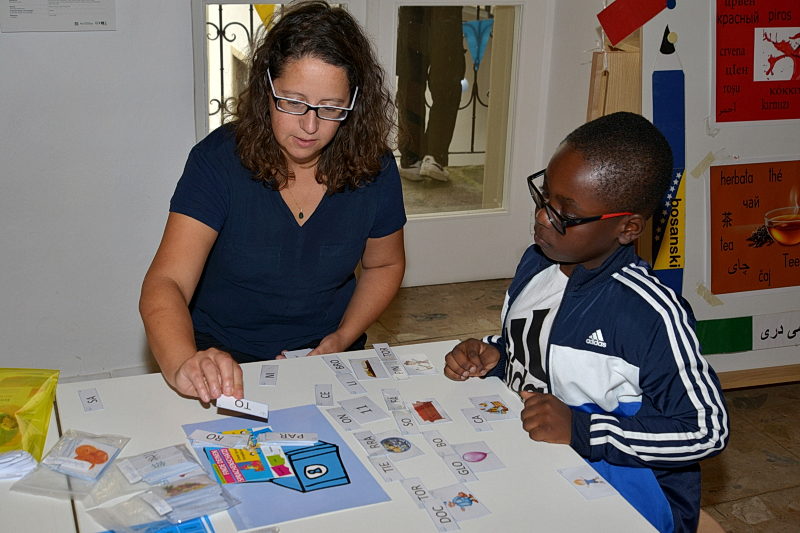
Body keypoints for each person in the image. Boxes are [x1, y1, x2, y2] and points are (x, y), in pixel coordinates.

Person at [443, 112, 729, 533]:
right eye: (544, 197)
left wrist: (584, 430)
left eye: (565, 213)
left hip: (628, 494)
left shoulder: (650, 314)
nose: (543, 218)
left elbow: (706, 430)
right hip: (544, 461)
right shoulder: (538, 261)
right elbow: (540, 348)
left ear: (627, 228)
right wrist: (497, 355)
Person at [140, 1, 406, 404]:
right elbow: (167, 282)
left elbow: (384, 264)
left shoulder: (375, 167)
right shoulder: (217, 161)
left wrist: (341, 337)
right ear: (267, 88)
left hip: (328, 355)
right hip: (223, 362)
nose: (310, 126)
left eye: (331, 108)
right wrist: (183, 363)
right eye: (293, 102)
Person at [396, 6, 465, 182]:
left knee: (411, 82)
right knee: (446, 83)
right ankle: (434, 157)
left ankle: (412, 159)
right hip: (445, 11)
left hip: (412, 10)